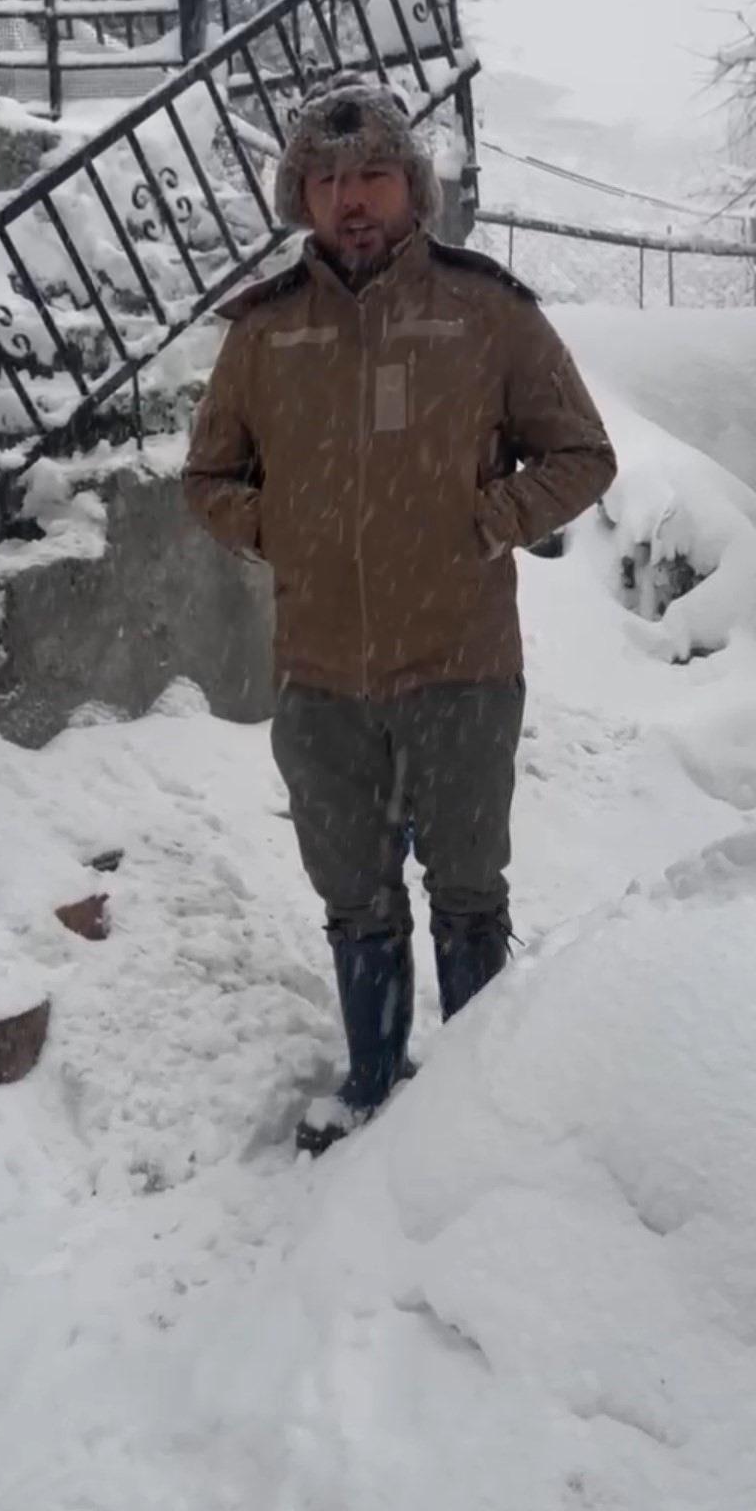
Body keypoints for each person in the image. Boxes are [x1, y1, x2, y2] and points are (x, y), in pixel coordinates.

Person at [183, 74, 616, 1155]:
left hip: (461, 664)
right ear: (300, 197)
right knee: (356, 899)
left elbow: (582, 453)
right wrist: (279, 529)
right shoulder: (266, 332)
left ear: (412, 187)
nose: (352, 198)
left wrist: (486, 520)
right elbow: (208, 477)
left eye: (373, 173)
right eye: (327, 180)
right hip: (322, 678)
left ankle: (477, 1109)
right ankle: (375, 1083)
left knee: (468, 894)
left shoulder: (485, 311)